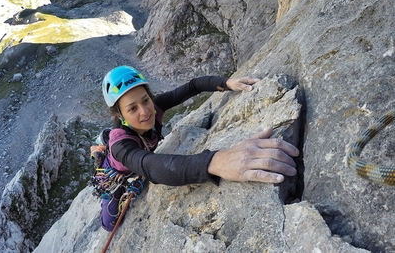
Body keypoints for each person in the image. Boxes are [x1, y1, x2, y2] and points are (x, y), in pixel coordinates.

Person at [98, 65, 299, 231]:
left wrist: (226, 83)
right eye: (132, 108)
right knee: (110, 223)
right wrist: (215, 162)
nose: (145, 111)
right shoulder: (120, 145)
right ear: (119, 115)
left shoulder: (155, 106)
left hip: (140, 158)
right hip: (118, 172)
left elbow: (193, 86)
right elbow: (150, 167)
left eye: (145, 100)